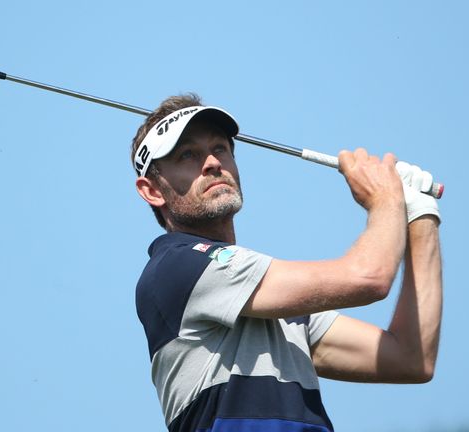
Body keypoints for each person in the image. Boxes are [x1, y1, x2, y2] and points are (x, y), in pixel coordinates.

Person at [131, 94, 443, 432]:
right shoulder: (177, 266)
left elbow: (411, 358)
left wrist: (419, 212)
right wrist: (386, 199)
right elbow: (370, 277)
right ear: (152, 191)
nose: (212, 162)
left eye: (220, 148)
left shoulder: (272, 302)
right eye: (187, 155)